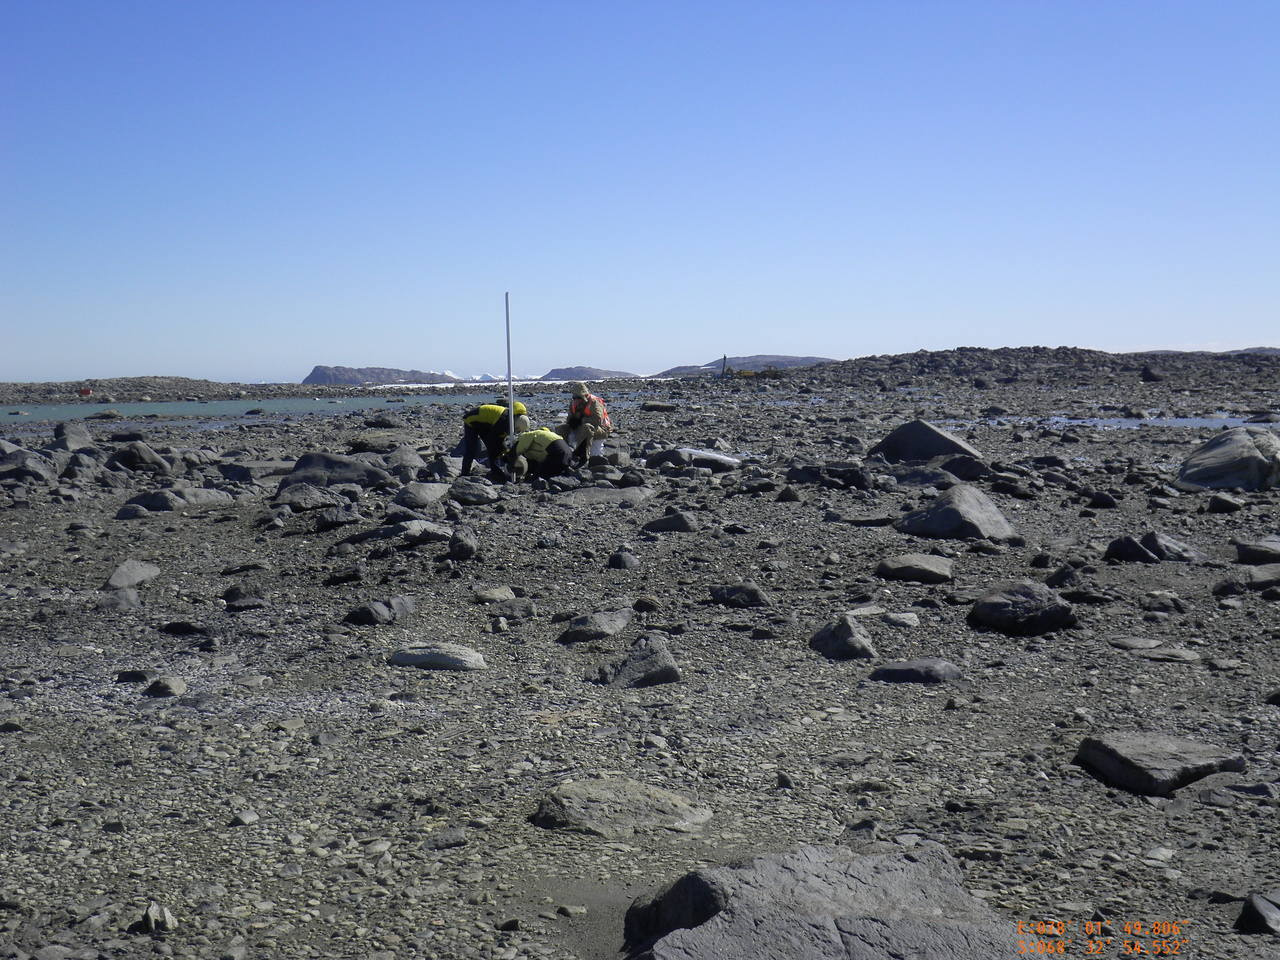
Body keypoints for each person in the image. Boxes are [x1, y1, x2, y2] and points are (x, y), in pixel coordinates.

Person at [459, 399, 527, 479]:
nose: (516, 432)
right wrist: (507, 456)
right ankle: (465, 473)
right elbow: (495, 440)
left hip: (485, 423)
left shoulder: (511, 419)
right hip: (471, 421)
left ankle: (495, 472)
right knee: (472, 449)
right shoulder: (504, 420)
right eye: (517, 430)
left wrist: (507, 453)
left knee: (495, 448)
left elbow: (500, 439)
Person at [555, 381, 612, 464]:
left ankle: (583, 457)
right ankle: (564, 454)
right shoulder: (573, 403)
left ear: (585, 395)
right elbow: (569, 420)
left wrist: (580, 420)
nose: (576, 399)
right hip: (581, 429)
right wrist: (572, 421)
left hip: (600, 430)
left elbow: (597, 420)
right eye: (574, 397)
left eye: (578, 397)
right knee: (561, 428)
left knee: (587, 427)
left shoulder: (594, 402)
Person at [507, 415, 575, 481]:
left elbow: (515, 451)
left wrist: (510, 462)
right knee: (552, 471)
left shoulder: (528, 435)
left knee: (539, 475)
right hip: (567, 454)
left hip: (557, 452)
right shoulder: (545, 438)